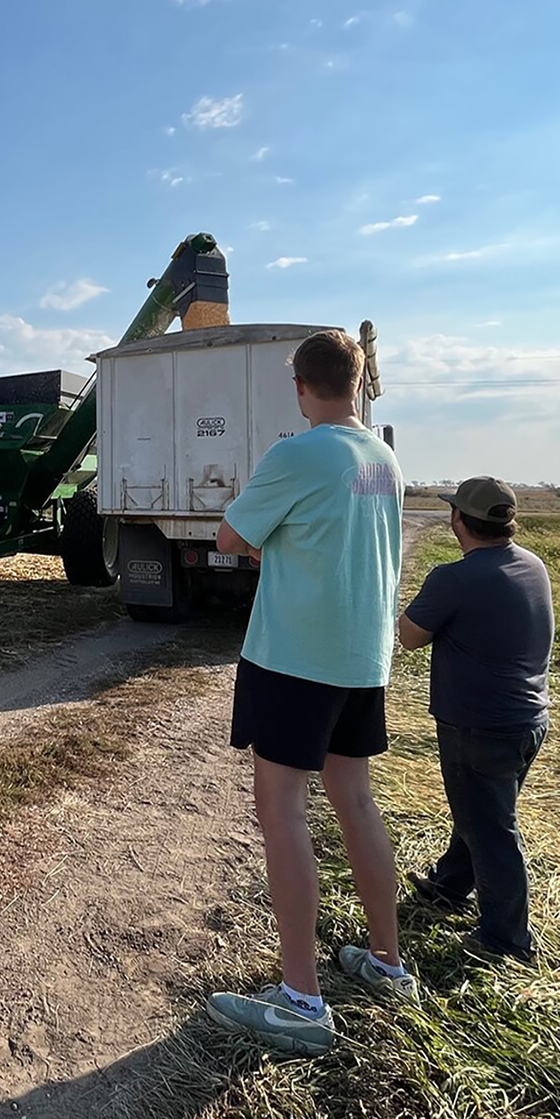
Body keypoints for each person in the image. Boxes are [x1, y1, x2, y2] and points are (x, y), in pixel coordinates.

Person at [204, 329, 410, 1057]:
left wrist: (265, 538)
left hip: (296, 656)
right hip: (362, 658)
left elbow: (231, 537)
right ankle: (388, 962)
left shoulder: (296, 453)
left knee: (280, 809)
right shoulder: (384, 460)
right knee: (355, 799)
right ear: (360, 382)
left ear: (300, 385)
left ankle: (300, 998)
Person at [398, 476, 554, 962]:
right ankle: (450, 885)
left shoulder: (455, 578)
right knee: (479, 811)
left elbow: (409, 636)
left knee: (491, 827)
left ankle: (506, 940)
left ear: (458, 520)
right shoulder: (532, 565)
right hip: (528, 720)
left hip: (478, 726)